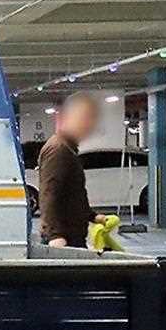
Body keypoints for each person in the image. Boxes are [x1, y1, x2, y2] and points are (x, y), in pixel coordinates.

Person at [38, 92, 108, 248]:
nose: (89, 124)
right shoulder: (58, 149)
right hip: (64, 239)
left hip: (72, 236)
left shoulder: (69, 148)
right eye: (84, 118)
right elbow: (49, 192)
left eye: (91, 119)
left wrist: (93, 216)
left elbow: (74, 194)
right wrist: (54, 235)